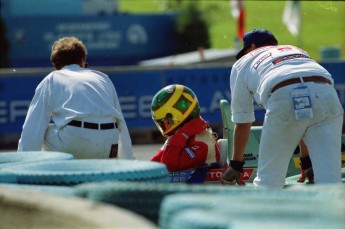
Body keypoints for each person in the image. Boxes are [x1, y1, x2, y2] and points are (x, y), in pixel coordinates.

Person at [220, 29, 343, 188]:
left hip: (282, 90)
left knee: (268, 183)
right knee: (331, 184)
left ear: (251, 47)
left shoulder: (242, 63)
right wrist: (306, 161)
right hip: (327, 94)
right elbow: (305, 109)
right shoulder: (296, 50)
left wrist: (236, 164)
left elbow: (243, 121)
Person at [18, 36, 135, 160]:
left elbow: (32, 129)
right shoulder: (103, 78)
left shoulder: (51, 79)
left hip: (74, 139)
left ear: (56, 65)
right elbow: (120, 122)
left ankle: (48, 175)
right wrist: (128, 161)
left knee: (42, 131)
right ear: (82, 60)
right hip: (110, 142)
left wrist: (22, 164)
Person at [150, 84, 222, 171]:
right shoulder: (181, 135)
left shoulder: (202, 143)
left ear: (179, 115)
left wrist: (182, 134)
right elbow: (153, 165)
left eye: (166, 121)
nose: (164, 126)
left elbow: (167, 165)